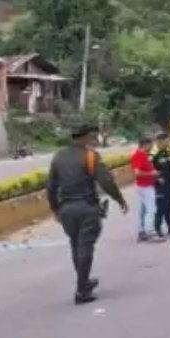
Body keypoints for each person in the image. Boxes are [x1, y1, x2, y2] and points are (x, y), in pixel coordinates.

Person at [47, 122, 128, 305]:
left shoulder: (59, 157)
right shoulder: (90, 156)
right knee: (86, 247)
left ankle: (84, 282)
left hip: (66, 209)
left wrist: (55, 209)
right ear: (85, 137)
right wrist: (120, 200)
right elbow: (106, 181)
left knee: (75, 244)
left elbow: (51, 186)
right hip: (86, 207)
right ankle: (82, 289)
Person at [131, 136, 164, 243]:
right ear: (146, 144)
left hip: (145, 185)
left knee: (144, 209)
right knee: (151, 209)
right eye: (150, 144)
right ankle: (151, 232)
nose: (152, 147)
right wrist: (152, 173)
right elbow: (137, 172)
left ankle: (142, 231)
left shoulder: (142, 155)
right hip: (145, 186)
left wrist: (155, 176)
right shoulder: (139, 155)